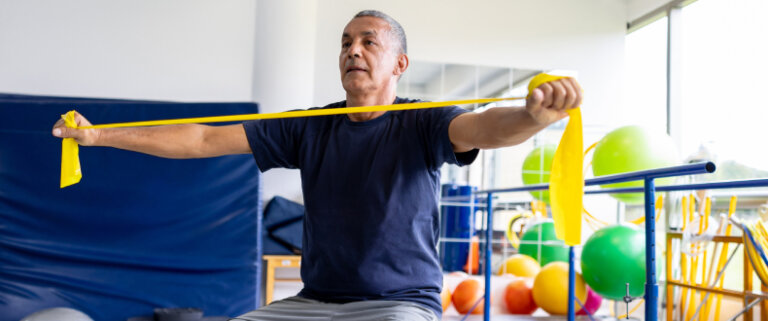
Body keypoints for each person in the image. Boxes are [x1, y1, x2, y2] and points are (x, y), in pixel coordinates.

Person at [52, 10, 582, 321]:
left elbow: (486, 130)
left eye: (368, 42)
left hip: (399, 305)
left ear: (398, 64)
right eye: (346, 43)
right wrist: (98, 136)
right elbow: (203, 139)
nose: (353, 50)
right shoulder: (310, 125)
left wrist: (532, 116)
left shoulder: (423, 122)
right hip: (315, 303)